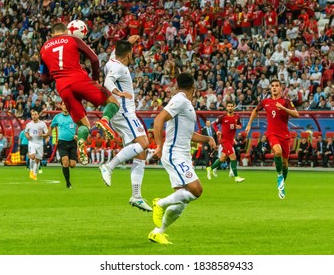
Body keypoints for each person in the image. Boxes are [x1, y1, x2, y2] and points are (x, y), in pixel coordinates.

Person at [40, 23, 129, 165]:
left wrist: (57, 71)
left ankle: (81, 141)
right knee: (113, 102)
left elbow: (44, 79)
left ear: (51, 34)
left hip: (62, 87)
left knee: (83, 124)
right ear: (66, 31)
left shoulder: (44, 49)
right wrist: (94, 78)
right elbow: (94, 58)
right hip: (79, 79)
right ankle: (105, 120)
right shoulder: (73, 39)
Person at [149, 73, 216, 245]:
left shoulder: (185, 104)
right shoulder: (180, 100)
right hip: (174, 154)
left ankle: (158, 232)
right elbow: (158, 120)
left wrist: (207, 139)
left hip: (183, 155)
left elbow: (189, 134)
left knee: (182, 199)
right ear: (194, 87)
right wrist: (159, 146)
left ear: (177, 85)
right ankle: (160, 203)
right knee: (196, 190)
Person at [99, 39, 151, 212]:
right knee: (144, 144)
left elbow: (119, 48)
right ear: (129, 54)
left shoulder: (112, 59)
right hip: (125, 111)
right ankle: (109, 166)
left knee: (141, 152)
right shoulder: (119, 67)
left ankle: (136, 196)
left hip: (124, 113)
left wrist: (130, 40)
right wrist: (119, 92)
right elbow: (108, 82)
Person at [245, 79, 299, 199]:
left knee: (285, 164)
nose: (274, 88)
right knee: (277, 152)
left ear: (281, 88)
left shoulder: (286, 101)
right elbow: (255, 110)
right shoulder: (265, 102)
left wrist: (284, 108)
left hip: (284, 135)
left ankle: (282, 184)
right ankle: (279, 175)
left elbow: (296, 114)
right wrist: (249, 124)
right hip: (271, 133)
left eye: (276, 86)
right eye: (272, 86)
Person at [206, 101, 245, 183]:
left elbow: (240, 124)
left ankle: (210, 168)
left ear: (234, 107)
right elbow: (214, 124)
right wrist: (217, 131)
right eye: (229, 106)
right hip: (224, 140)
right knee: (233, 156)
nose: (230, 107)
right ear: (226, 107)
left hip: (231, 141)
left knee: (223, 158)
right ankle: (236, 177)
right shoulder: (222, 117)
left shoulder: (237, 117)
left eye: (231, 106)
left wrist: (239, 126)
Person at [48, 102, 78, 188]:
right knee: (65, 162)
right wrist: (48, 134)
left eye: (66, 105)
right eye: (64, 105)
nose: (65, 106)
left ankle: (63, 161)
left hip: (72, 142)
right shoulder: (57, 117)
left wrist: (78, 135)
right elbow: (52, 126)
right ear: (61, 106)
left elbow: (80, 126)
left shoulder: (74, 116)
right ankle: (68, 183)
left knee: (72, 165)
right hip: (62, 142)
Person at [25, 110, 49, 180]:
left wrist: (43, 136)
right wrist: (27, 136)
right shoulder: (29, 124)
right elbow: (26, 132)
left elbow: (47, 134)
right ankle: (31, 170)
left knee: (38, 160)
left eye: (35, 114)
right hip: (32, 142)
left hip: (40, 143)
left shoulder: (42, 124)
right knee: (32, 156)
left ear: (38, 115)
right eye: (32, 115)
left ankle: (35, 174)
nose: (34, 116)